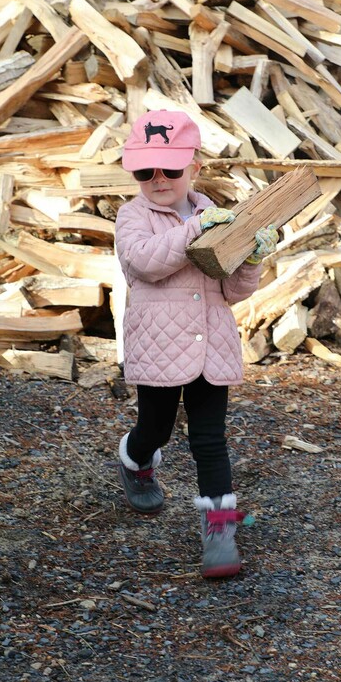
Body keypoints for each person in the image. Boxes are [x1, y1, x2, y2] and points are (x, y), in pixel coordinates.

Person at [114, 109, 278, 578]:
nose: (158, 179)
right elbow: (144, 262)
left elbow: (233, 289)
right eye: (145, 171)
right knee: (157, 429)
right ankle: (134, 457)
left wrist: (250, 257)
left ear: (195, 168)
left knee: (210, 440)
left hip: (211, 345)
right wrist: (196, 229)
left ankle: (220, 536)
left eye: (170, 169)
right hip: (159, 346)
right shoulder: (133, 216)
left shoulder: (215, 215)